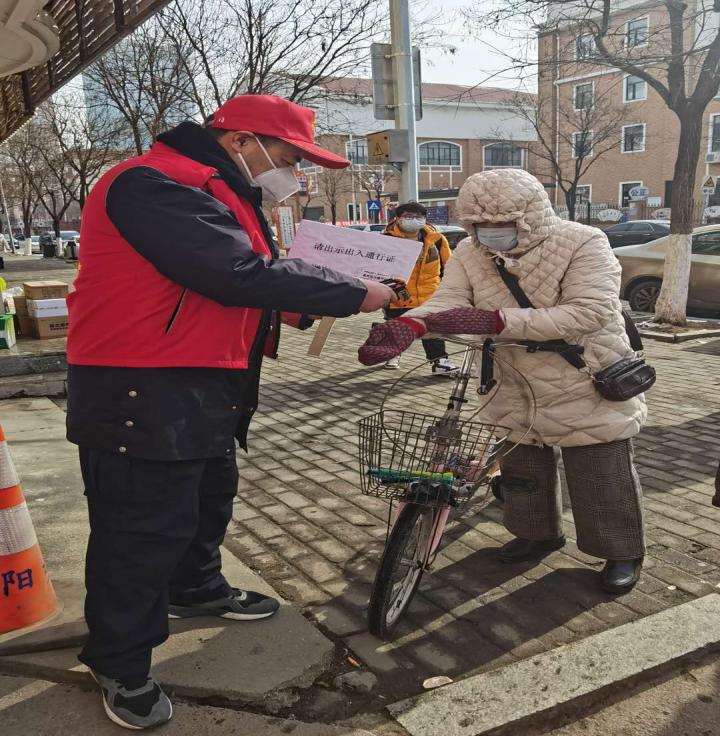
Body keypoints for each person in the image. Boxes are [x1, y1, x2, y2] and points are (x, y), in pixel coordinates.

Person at [66, 94, 396, 730]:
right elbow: (233, 274)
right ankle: (120, 660)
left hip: (201, 379)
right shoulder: (152, 183)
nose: (295, 173)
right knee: (141, 527)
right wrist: (353, 292)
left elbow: (244, 283)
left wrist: (302, 306)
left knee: (209, 492)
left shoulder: (222, 190)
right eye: (291, 157)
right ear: (242, 141)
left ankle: (196, 587)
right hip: (141, 383)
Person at [359, 168, 647, 595]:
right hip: (509, 376)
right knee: (521, 471)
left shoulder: (583, 241)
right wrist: (412, 326)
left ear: (531, 215)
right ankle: (536, 533)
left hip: (583, 373)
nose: (490, 232)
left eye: (502, 223)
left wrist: (494, 320)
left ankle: (621, 551)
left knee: (600, 473)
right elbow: (450, 301)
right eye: (480, 225)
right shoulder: (471, 252)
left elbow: (590, 312)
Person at [381, 202, 458, 376]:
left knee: (432, 329)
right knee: (398, 328)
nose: (413, 220)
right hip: (398, 295)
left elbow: (450, 266)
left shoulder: (436, 240)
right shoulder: (386, 240)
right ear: (398, 219)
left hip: (430, 295)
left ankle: (440, 362)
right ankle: (393, 353)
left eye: (418, 217)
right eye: (408, 217)